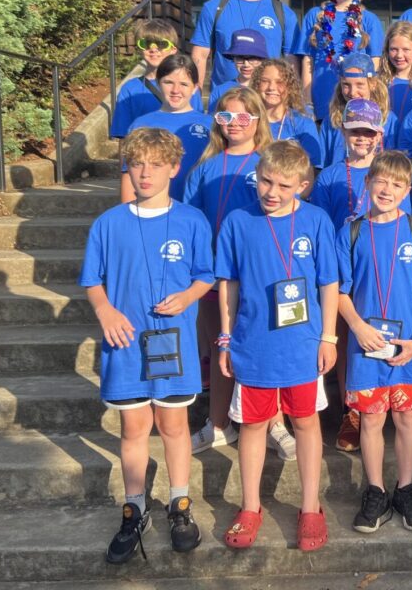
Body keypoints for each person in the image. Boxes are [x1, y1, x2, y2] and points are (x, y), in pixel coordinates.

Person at [80, 126, 214, 563]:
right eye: (136, 163)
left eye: (156, 165)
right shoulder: (108, 223)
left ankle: (179, 503)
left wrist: (190, 295)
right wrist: (105, 311)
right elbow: (92, 281)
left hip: (171, 344)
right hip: (124, 342)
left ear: (174, 168)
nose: (144, 172)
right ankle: (135, 507)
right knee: (134, 428)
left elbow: (206, 275)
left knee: (174, 426)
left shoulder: (192, 220)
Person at [216, 141, 339, 551]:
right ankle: (250, 506)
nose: (272, 192)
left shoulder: (318, 221)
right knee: (252, 426)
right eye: (266, 181)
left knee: (305, 422)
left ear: (302, 186)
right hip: (254, 344)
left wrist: (329, 336)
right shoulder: (238, 220)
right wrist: (225, 338)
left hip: (303, 345)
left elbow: (329, 283)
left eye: (284, 186)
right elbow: (228, 284)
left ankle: (309, 507)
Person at [335, 151, 412, 533]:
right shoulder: (350, 231)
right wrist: (358, 326)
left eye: (397, 184)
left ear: (408, 190)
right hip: (365, 346)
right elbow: (339, 291)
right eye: (381, 181)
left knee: (407, 416)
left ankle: (406, 488)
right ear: (368, 182)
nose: (387, 189)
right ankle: (376, 491)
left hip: (408, 346)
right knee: (371, 418)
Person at [310, 98, 412, 453]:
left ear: (379, 134)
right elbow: (320, 224)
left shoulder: (393, 173)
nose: (362, 138)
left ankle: (389, 401)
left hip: (382, 268)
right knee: (346, 337)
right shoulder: (330, 175)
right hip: (343, 263)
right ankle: (351, 412)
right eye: (355, 131)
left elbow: (405, 224)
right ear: (343, 132)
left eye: (369, 132)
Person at [182, 88, 272, 455]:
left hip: (258, 272)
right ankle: (218, 423)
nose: (233, 124)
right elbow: (187, 222)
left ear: (257, 120)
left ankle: (274, 422)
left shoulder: (267, 165)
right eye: (225, 117)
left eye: (242, 117)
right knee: (221, 348)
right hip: (211, 274)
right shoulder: (203, 169)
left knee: (264, 348)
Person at [190, 0, 300, 91]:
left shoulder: (284, 13)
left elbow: (291, 61)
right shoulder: (214, 8)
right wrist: (195, 93)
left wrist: (293, 98)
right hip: (224, 99)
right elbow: (200, 55)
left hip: (266, 100)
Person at [299, 0, 385, 121]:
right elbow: (307, 61)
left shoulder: (369, 20)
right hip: (321, 101)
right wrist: (307, 101)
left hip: (356, 102)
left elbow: (375, 65)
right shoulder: (315, 15)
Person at [121, 54, 210, 204]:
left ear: (195, 88)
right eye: (168, 82)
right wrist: (128, 214)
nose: (176, 90)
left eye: (184, 84)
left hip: (198, 207)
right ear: (157, 83)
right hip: (151, 209)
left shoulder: (210, 124)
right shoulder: (141, 124)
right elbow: (129, 175)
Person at [111, 19, 203, 140]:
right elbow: (123, 136)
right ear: (139, 49)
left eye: (162, 44)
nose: (153, 49)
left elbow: (198, 126)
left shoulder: (186, 87)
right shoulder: (129, 89)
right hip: (144, 155)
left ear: (173, 50)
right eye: (146, 43)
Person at [319, 53, 399, 167]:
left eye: (359, 85)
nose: (352, 92)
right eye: (346, 85)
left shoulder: (389, 120)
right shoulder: (331, 121)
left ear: (372, 84)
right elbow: (322, 165)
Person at [254, 58, 323, 169]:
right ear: (257, 84)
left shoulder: (302, 124)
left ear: (290, 87)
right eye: (265, 81)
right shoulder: (248, 121)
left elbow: (312, 169)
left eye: (280, 82)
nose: (271, 87)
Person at [379, 20, 412, 126]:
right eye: (394, 49)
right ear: (387, 49)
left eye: (406, 49)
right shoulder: (378, 83)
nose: (399, 55)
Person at [207, 29, 269, 112]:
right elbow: (213, 123)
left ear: (262, 60)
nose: (246, 64)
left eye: (252, 58)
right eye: (240, 58)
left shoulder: (268, 90)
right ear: (233, 58)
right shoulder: (219, 92)